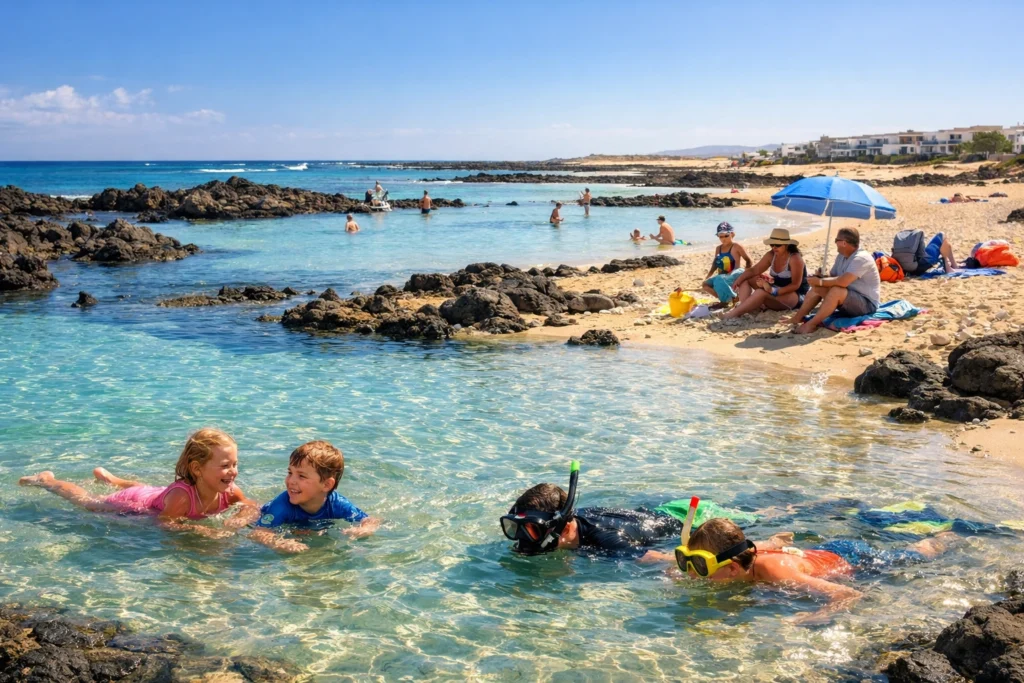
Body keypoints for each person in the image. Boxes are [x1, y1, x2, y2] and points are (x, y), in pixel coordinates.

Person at [654, 517, 956, 624]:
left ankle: (945, 537)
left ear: (732, 569)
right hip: (811, 554)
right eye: (686, 561)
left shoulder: (777, 572)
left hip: (854, 559)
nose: (689, 573)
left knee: (912, 557)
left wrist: (814, 616)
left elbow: (848, 594)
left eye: (698, 567)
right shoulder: (736, 564)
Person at [18, 428, 258, 538]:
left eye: (235, 464)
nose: (233, 471)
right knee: (89, 503)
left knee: (142, 488)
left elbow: (251, 505)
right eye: (226, 465)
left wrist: (236, 521)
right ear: (197, 469)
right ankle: (47, 480)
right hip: (137, 504)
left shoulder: (229, 490)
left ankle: (110, 478)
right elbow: (165, 523)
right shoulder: (182, 498)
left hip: (153, 494)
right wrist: (201, 530)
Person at [250, 440, 380, 553]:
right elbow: (258, 532)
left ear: (327, 485)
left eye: (301, 476)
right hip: (264, 515)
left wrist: (364, 530)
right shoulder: (282, 505)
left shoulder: (337, 504)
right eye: (290, 472)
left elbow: (369, 520)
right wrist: (278, 543)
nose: (291, 481)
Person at [785, 227, 881, 334]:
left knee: (835, 290)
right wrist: (821, 277)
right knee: (817, 288)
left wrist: (821, 281)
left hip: (866, 304)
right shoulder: (841, 256)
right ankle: (798, 317)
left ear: (844, 243)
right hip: (848, 299)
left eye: (836, 240)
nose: (835, 243)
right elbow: (833, 277)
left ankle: (811, 324)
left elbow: (843, 281)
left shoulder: (861, 258)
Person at [722, 228, 808, 320]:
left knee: (760, 292)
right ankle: (745, 307)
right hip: (775, 288)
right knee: (746, 278)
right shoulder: (771, 255)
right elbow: (754, 270)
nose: (774, 247)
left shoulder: (795, 258)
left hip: (794, 295)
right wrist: (739, 279)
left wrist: (773, 291)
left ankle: (733, 314)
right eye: (772, 244)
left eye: (778, 245)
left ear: (787, 245)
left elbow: (795, 285)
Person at [701, 222, 753, 307]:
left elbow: (748, 261)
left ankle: (731, 299)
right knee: (705, 284)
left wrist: (746, 274)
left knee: (719, 279)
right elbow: (715, 263)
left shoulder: (736, 246)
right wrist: (709, 275)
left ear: (732, 234)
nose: (723, 239)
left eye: (726, 236)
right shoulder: (718, 248)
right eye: (720, 236)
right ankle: (725, 300)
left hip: (736, 272)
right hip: (723, 275)